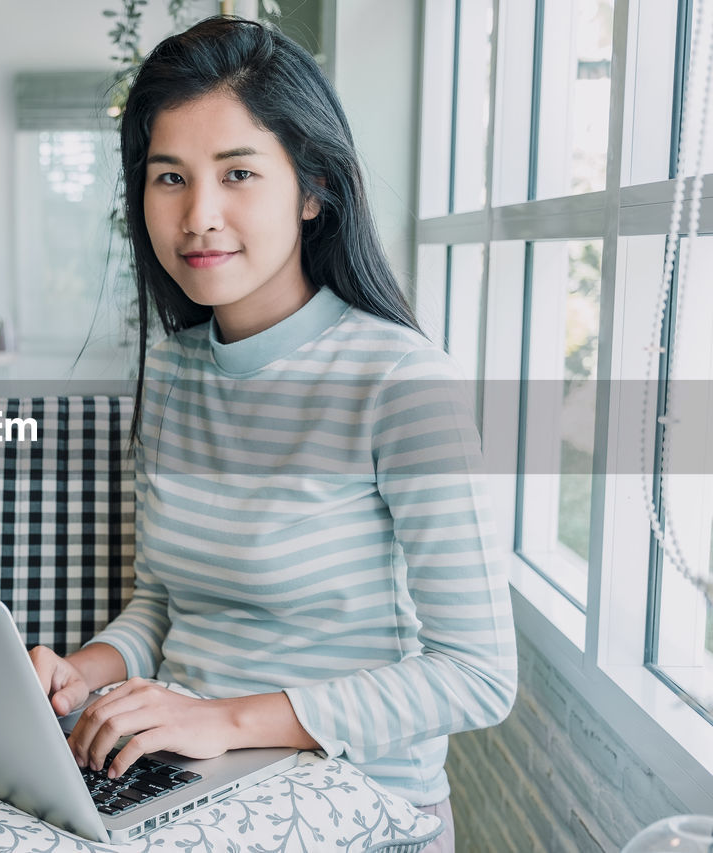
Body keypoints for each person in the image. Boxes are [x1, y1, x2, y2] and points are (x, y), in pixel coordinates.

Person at [27, 18, 516, 853]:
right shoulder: (176, 371)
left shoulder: (400, 383)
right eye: (169, 177)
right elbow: (165, 600)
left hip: (356, 796)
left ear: (313, 188)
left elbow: (477, 676)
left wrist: (224, 720)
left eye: (239, 173)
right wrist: (90, 670)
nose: (198, 216)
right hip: (186, 775)